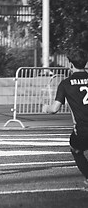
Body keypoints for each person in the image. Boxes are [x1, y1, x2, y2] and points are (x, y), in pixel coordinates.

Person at [42, 48, 88, 189]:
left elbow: (54, 109)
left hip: (83, 129)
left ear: (70, 64)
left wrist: (45, 108)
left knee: (76, 149)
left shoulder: (66, 84)